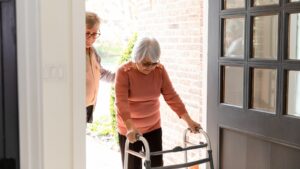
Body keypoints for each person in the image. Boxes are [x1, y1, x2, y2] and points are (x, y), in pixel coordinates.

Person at [115, 37, 202, 168]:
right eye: (145, 63)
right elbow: (121, 102)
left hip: (153, 127)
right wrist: (130, 127)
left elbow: (171, 96)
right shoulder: (124, 72)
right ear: (136, 57)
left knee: (157, 166)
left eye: (154, 63)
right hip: (130, 129)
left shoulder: (159, 70)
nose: (150, 68)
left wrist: (189, 120)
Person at [86, 12, 115, 123]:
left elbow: (101, 73)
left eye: (95, 34)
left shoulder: (93, 52)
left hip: (90, 105)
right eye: (87, 33)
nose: (92, 38)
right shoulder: (73, 53)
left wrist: (119, 77)